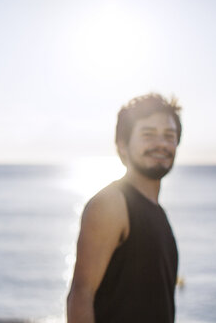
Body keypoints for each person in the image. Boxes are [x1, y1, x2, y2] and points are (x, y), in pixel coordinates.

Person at [66, 93, 181, 323]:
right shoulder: (112, 204)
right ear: (122, 146)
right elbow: (81, 295)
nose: (161, 144)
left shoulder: (158, 212)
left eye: (169, 136)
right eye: (148, 134)